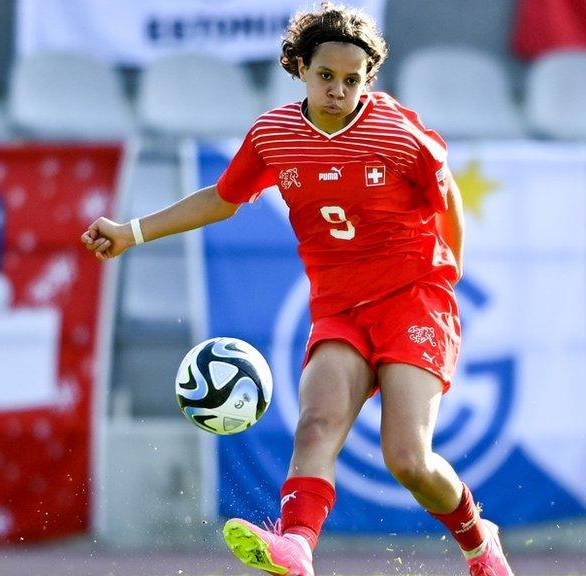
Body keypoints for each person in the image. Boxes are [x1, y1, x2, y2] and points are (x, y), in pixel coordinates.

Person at [81, 3, 514, 575]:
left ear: (369, 79)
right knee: (316, 423)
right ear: (301, 69)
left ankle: (478, 541)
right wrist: (131, 232)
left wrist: (447, 272)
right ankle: (296, 548)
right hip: (338, 310)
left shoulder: (398, 133)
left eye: (352, 80)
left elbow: (448, 199)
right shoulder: (274, 135)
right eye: (326, 76)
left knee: (407, 459)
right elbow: (222, 198)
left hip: (413, 300)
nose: (338, 90)